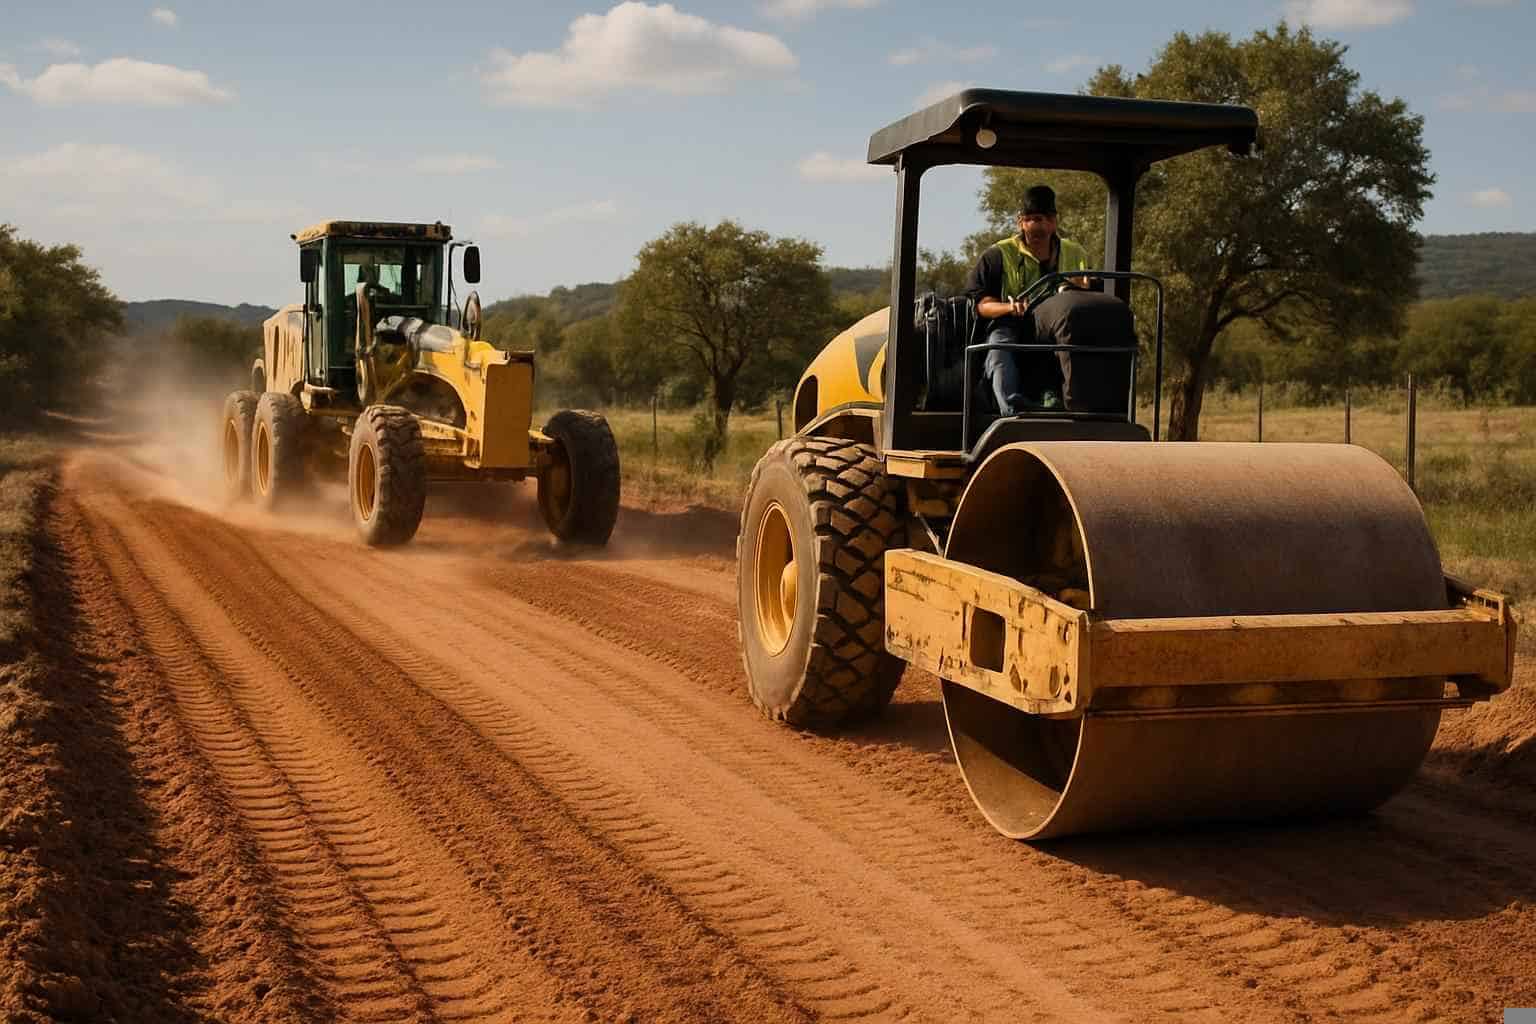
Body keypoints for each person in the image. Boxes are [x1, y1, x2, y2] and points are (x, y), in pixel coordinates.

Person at [964, 185, 1091, 415]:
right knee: (998, 346)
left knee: (1085, 341)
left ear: (1053, 222)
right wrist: (1008, 307)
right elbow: (982, 305)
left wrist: (1080, 290)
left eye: (1041, 219)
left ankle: (1077, 408)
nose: (1035, 226)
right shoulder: (998, 255)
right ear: (1020, 222)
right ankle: (1012, 410)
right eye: (1029, 219)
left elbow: (1090, 292)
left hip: (1059, 327)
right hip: (1012, 323)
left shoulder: (1076, 253)